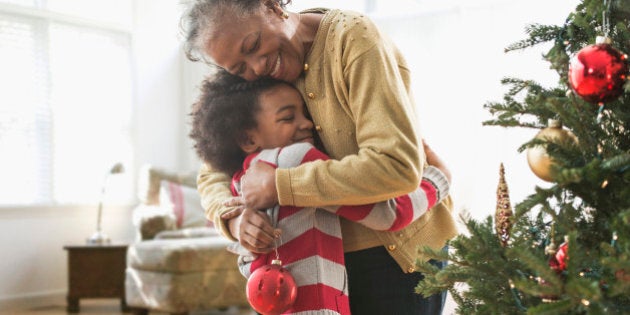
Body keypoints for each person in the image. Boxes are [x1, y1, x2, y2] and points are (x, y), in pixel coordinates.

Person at [182, 1, 458, 314]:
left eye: (254, 45)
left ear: (272, 6)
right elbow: (213, 169)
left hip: (393, 256)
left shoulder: (353, 39)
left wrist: (281, 185)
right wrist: (232, 218)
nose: (256, 69)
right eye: (239, 69)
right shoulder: (252, 79)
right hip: (316, 267)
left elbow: (395, 168)